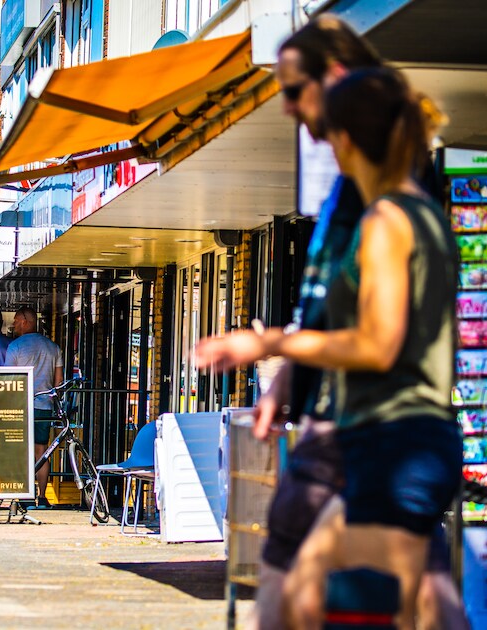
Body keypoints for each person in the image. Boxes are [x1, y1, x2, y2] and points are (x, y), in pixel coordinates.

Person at [196, 67, 461, 629]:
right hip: (409, 441)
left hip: (393, 446)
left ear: (347, 138)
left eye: (328, 133)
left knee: (309, 593)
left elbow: (377, 343)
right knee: (422, 598)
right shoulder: (424, 215)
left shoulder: (388, 220)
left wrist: (269, 341)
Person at [5, 306, 63, 509]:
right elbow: (58, 381)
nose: (13, 324)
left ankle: (25, 495)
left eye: (15, 320)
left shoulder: (15, 347)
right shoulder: (53, 347)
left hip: (21, 406)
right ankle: (42, 495)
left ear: (25, 321)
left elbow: (8, 380)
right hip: (44, 406)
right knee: (42, 451)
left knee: (22, 450)